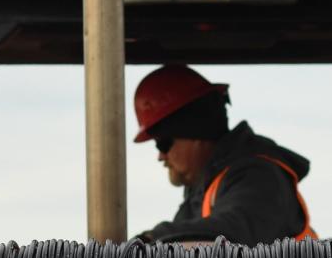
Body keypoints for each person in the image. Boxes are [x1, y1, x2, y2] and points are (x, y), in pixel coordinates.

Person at [133, 65, 318, 245]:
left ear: (197, 133)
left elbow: (236, 232)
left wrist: (152, 239)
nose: (160, 156)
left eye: (163, 144)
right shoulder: (204, 193)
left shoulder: (259, 177)